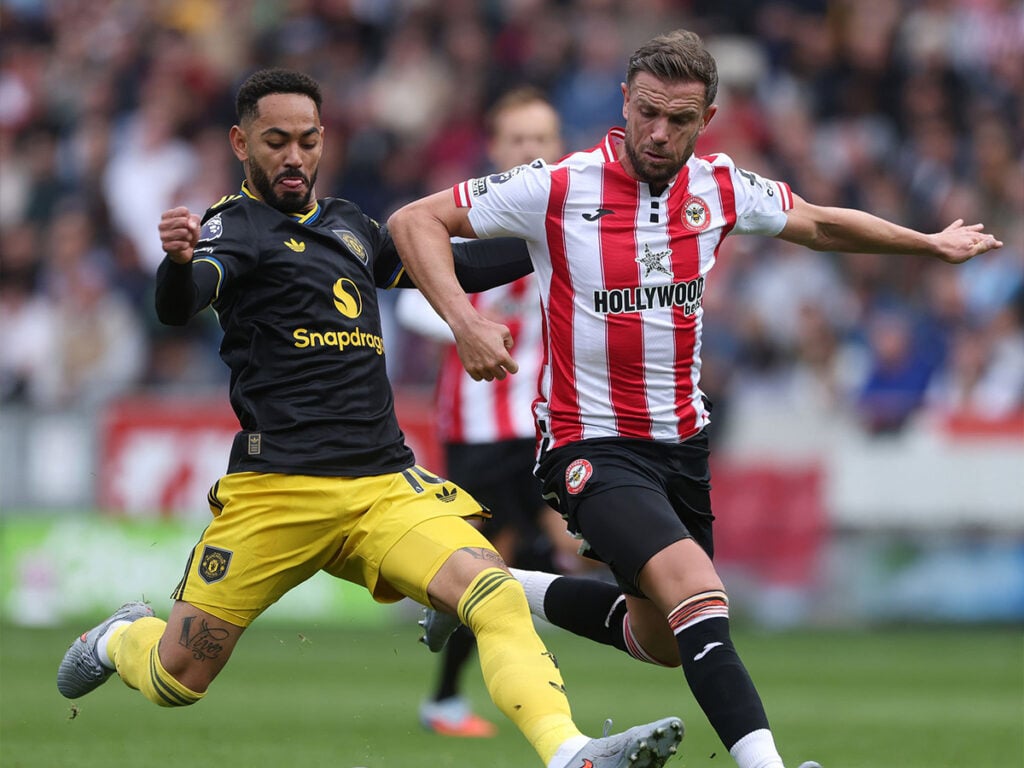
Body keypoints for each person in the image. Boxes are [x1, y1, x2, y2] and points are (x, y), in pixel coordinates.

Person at [386, 29, 1002, 768]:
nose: (658, 132)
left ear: (706, 120)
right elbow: (414, 220)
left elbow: (818, 222)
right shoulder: (558, 186)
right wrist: (463, 320)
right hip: (589, 443)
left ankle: (481, 586)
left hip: (681, 445)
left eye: (679, 120)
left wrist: (928, 242)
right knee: (701, 595)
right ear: (624, 101)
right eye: (647, 112)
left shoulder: (720, 186)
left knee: (664, 639)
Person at [55, 68, 685, 768]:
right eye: (275, 142)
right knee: (178, 678)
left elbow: (458, 265)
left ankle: (570, 754)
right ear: (240, 143)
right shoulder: (234, 227)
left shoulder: (351, 226)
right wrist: (176, 263)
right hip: (279, 493)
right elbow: (180, 304)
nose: (294, 157)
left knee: (495, 593)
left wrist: (560, 231)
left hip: (383, 486)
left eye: (307, 140)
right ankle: (119, 639)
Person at [396, 87, 592, 738]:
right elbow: (407, 299)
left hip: (548, 422)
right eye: (518, 139)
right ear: (495, 148)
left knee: (563, 549)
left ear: (558, 146)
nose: (531, 150)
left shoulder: (571, 215)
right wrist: (465, 323)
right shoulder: (463, 214)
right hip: (480, 425)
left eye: (542, 139)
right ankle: (450, 693)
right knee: (497, 559)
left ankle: (461, 673)